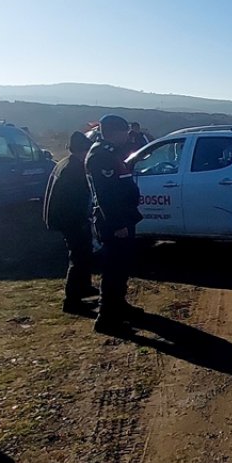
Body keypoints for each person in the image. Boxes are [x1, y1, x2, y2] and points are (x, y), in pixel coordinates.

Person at [86, 114, 144, 335]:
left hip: (124, 217)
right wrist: (118, 223)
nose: (127, 137)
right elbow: (106, 196)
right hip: (114, 221)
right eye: (124, 133)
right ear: (112, 132)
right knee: (113, 268)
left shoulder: (111, 153)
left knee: (121, 267)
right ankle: (107, 318)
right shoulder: (101, 155)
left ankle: (119, 306)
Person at [44, 131, 97, 314]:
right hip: (72, 220)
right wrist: (83, 220)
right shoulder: (74, 169)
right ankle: (72, 300)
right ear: (82, 150)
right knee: (79, 256)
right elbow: (74, 200)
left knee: (84, 253)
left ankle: (83, 287)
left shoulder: (65, 163)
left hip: (67, 219)